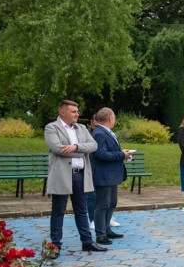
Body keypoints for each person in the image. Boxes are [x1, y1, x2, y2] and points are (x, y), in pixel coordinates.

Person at [44, 99, 102, 258]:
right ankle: (55, 246)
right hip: (62, 176)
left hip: (80, 175)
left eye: (77, 111)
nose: (78, 114)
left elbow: (94, 145)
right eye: (74, 111)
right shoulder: (51, 128)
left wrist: (76, 147)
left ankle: (87, 242)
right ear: (62, 112)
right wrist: (83, 150)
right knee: (58, 211)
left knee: (81, 210)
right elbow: (57, 149)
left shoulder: (82, 128)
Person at [90, 107, 132, 244]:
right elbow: (100, 154)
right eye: (114, 117)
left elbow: (109, 151)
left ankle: (107, 230)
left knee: (111, 203)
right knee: (102, 204)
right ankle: (100, 235)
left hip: (112, 175)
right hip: (104, 175)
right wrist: (121, 155)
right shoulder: (99, 133)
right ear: (110, 118)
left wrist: (122, 153)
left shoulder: (107, 132)